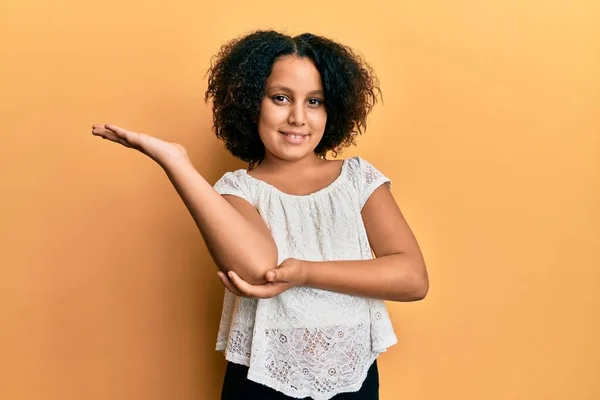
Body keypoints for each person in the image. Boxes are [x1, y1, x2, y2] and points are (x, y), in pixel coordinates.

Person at [92, 30, 428, 400]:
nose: (298, 117)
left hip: (353, 378)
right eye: (281, 98)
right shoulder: (239, 189)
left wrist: (303, 272)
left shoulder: (358, 180)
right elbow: (258, 267)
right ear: (252, 103)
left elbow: (412, 278)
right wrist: (176, 163)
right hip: (259, 379)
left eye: (314, 101)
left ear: (334, 108)